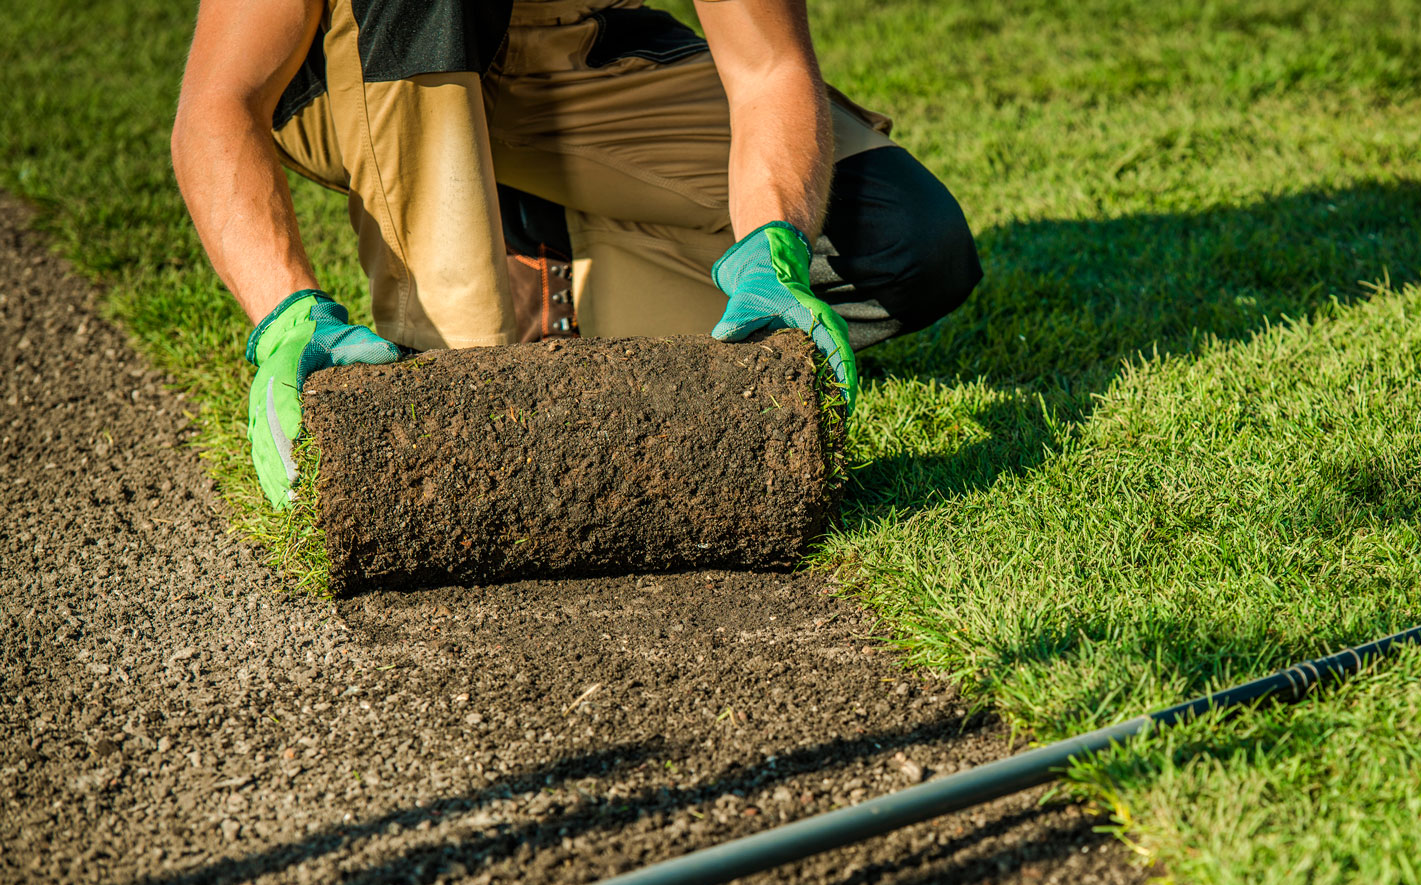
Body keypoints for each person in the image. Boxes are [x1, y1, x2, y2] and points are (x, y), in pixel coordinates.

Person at [171, 0, 982, 508]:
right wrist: (284, 312)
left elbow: (769, 68)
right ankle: (453, 347)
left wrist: (770, 247)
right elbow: (218, 104)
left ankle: (545, 256)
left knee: (905, 247)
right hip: (366, 58)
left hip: (573, 48)